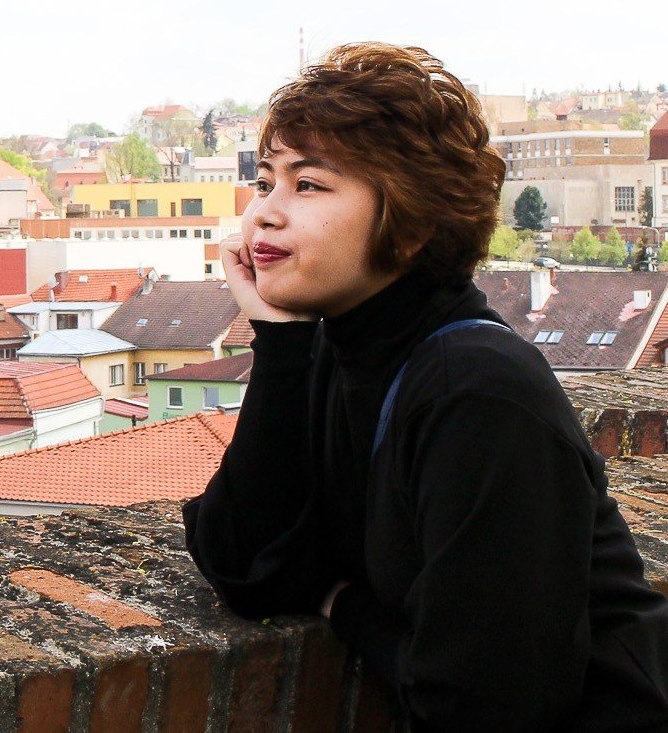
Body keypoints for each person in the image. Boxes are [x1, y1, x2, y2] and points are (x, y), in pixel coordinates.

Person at [182, 42, 668, 730]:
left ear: (409, 223)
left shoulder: (477, 394)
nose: (264, 211)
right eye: (264, 181)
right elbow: (243, 562)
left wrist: (341, 605)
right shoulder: (337, 349)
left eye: (308, 184)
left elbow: (481, 704)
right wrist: (280, 342)